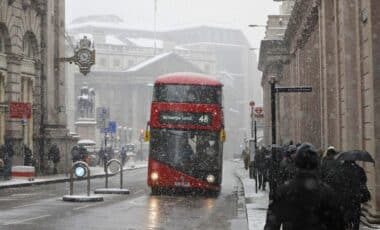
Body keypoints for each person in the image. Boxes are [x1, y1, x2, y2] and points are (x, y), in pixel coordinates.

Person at [264, 143, 345, 230]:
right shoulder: (327, 193)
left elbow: (271, 225)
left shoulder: (284, 191)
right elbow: (338, 224)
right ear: (317, 164)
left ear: (297, 163)